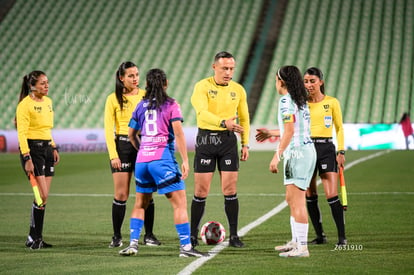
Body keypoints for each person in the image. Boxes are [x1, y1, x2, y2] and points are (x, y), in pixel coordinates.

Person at [119, 68, 208, 257]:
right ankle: (186, 248)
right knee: (179, 204)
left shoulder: (140, 105)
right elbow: (178, 133)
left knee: (140, 204)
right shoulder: (171, 104)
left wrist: (143, 149)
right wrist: (185, 160)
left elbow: (131, 135)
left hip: (142, 161)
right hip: (163, 161)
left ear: (147, 85)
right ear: (165, 84)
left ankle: (133, 244)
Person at [190, 51, 250, 248]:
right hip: (206, 140)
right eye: (225, 68)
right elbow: (202, 112)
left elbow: (244, 117)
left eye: (232, 68)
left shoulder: (238, 90)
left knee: (230, 189)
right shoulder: (202, 86)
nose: (228, 72)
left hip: (228, 142)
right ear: (214, 67)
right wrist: (223, 122)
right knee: (201, 191)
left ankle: (234, 236)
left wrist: (245, 143)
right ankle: (191, 235)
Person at [256, 65, 316, 257]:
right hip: (304, 151)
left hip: (297, 153)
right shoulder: (299, 100)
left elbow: (290, 132)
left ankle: (302, 247)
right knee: (291, 199)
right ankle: (296, 241)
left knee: (297, 201)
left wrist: (276, 155)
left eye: (275, 79)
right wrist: (271, 133)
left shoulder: (285, 101)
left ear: (281, 81)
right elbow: (295, 129)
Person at [104, 61, 160, 248]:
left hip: (145, 144)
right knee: (121, 194)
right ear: (121, 78)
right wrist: (114, 155)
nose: (135, 79)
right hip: (123, 147)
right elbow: (107, 129)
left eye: (137, 75)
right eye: (131, 76)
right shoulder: (113, 99)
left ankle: (149, 235)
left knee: (147, 193)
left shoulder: (146, 96)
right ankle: (117, 236)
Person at [16, 70, 60, 249]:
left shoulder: (48, 102)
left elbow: (46, 129)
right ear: (32, 86)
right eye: (42, 83)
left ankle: (34, 238)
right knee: (40, 196)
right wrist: (26, 157)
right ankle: (34, 237)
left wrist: (54, 146)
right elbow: (22, 133)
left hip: (47, 149)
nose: (46, 86)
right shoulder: (24, 105)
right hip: (32, 151)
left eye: (47, 82)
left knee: (44, 197)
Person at [303, 67, 347, 246]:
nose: (309, 85)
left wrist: (341, 151)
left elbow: (339, 128)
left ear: (321, 81)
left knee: (332, 194)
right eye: (306, 81)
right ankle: (320, 235)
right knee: (310, 193)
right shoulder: (301, 103)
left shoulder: (332, 102)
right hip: (307, 149)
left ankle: (342, 237)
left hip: (326, 149)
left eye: (312, 81)